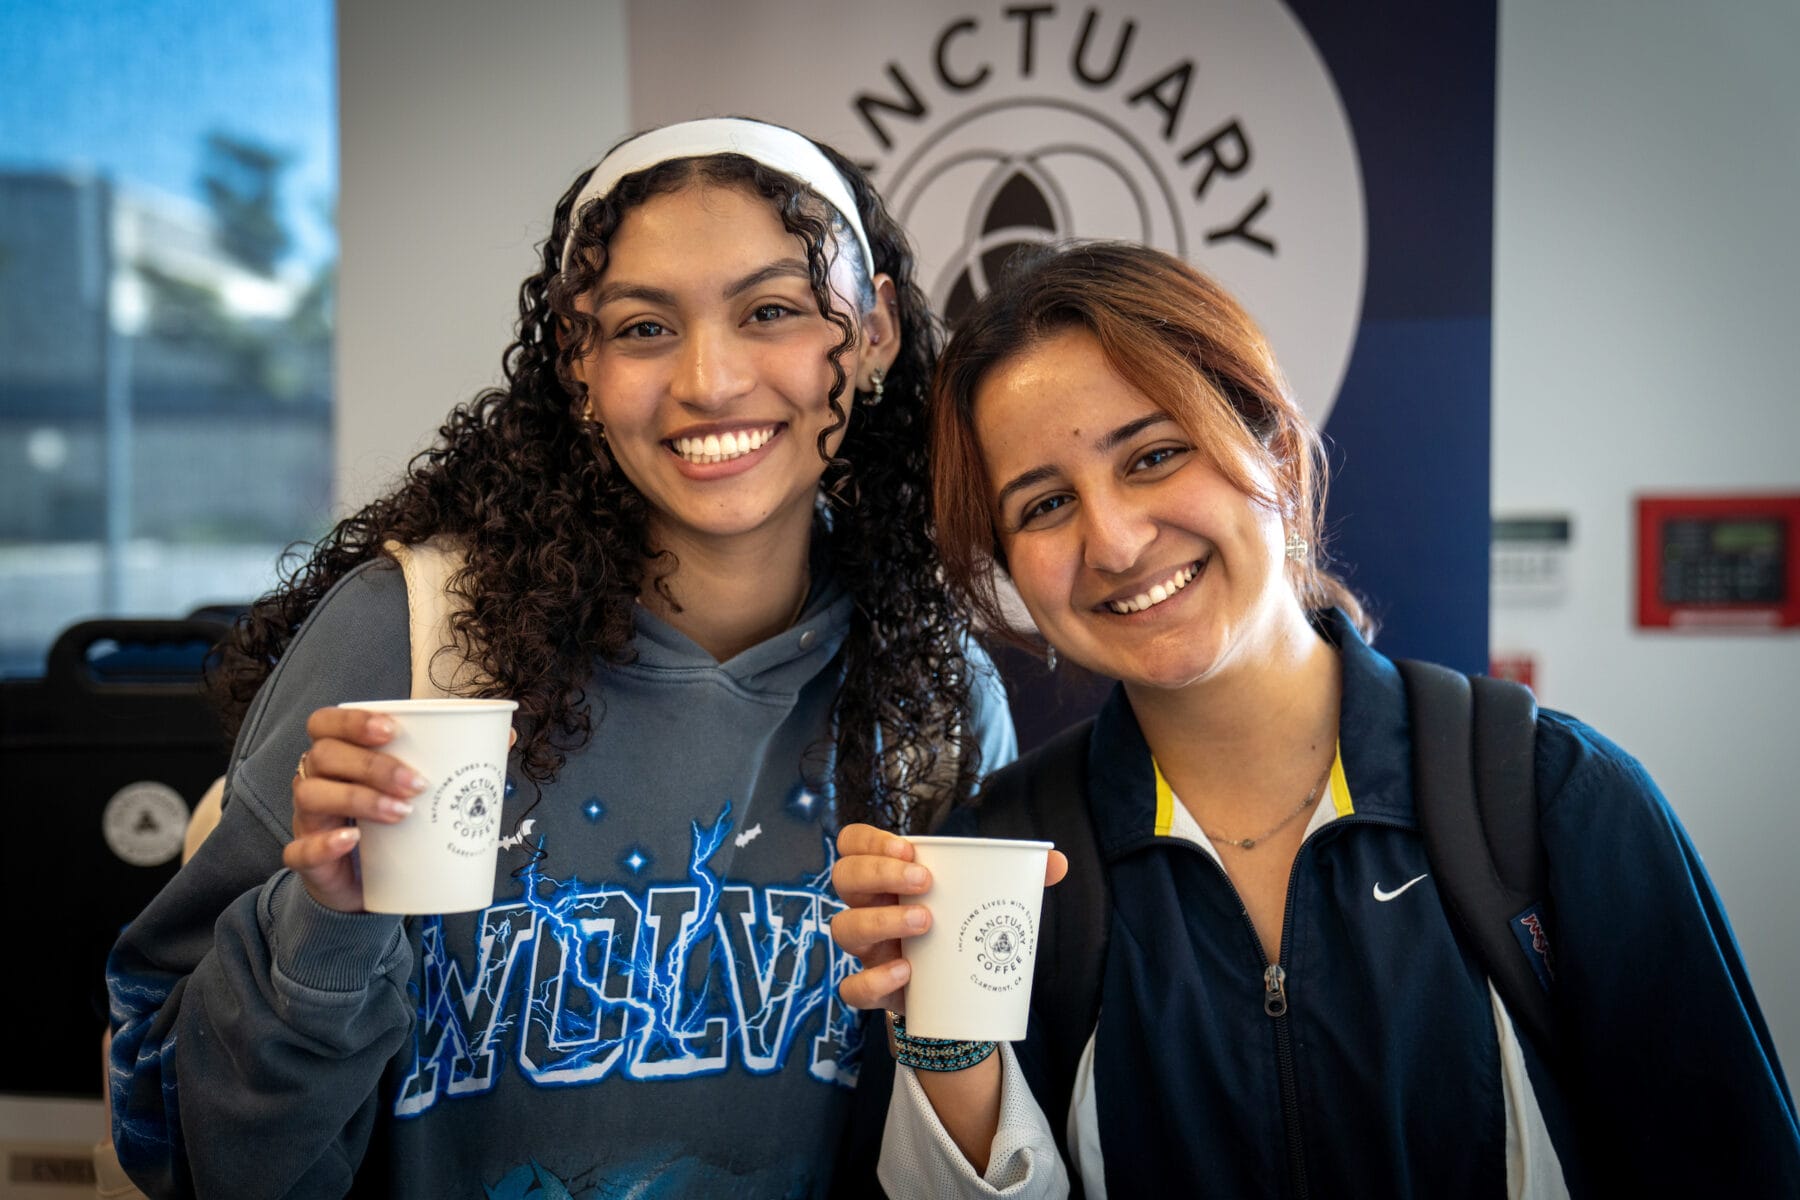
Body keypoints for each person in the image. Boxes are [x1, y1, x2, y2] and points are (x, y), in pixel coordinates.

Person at [105, 117, 1016, 1199]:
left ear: (870, 336)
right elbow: (170, 1134)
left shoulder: (933, 695)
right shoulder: (408, 637)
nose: (710, 381)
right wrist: (325, 930)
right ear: (576, 365)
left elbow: (980, 1134)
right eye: (642, 329)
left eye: (771, 310)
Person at [831, 241, 1800, 1197]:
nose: (1116, 541)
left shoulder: (1553, 802)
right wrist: (944, 1050)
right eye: (1044, 505)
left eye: (1156, 455)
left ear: (1276, 453)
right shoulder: (999, 865)